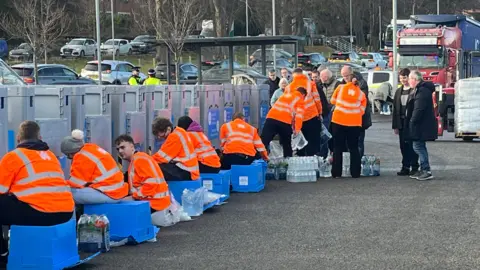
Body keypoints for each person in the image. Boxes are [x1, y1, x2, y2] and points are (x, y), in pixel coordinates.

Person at [0, 121, 74, 263]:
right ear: (40, 137)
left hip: (41, 213)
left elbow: (1, 190)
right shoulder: (50, 156)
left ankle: (2, 254)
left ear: (18, 138)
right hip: (66, 213)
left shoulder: (13, 157)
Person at [61, 129, 128, 204]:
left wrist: (59, 184)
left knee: (66, 194)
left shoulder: (82, 156)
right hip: (117, 190)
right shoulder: (91, 148)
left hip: (109, 194)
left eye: (68, 156)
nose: (69, 158)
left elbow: (76, 183)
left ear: (71, 152)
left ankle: (71, 216)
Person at [115, 134, 171, 213]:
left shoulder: (139, 159)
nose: (120, 151)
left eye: (123, 147)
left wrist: (134, 197)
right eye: (118, 149)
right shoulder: (137, 159)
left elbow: (151, 185)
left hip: (153, 204)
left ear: (132, 146)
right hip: (157, 202)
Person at [330, 80, 367, 178]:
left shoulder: (340, 88)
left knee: (337, 147)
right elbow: (362, 110)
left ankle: (336, 173)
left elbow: (332, 101)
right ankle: (355, 173)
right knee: (354, 148)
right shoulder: (361, 94)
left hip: (338, 121)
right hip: (354, 123)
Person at [405, 70, 437, 181]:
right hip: (421, 124)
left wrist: (412, 121)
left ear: (415, 79)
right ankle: (423, 169)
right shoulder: (420, 90)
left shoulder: (422, 91)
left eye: (410, 78)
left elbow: (419, 108)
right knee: (418, 146)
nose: (408, 80)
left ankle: (426, 170)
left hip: (421, 124)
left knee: (418, 146)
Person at [261, 87, 307, 158]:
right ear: (303, 95)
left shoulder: (286, 95)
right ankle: (287, 162)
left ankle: (257, 159)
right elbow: (299, 117)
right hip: (284, 122)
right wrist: (297, 130)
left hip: (271, 118)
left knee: (264, 141)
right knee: (287, 145)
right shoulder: (300, 99)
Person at [339, 66, 372, 157]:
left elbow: (358, 98)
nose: (345, 78)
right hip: (345, 120)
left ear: (351, 74)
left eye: (346, 76)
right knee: (346, 144)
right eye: (343, 76)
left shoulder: (361, 83)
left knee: (358, 143)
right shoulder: (341, 84)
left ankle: (358, 163)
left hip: (358, 120)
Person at [288, 68, 322, 156]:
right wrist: (320, 112)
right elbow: (317, 99)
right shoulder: (310, 84)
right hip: (311, 116)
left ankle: (301, 163)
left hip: (298, 119)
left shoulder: (289, 87)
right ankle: (313, 163)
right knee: (312, 142)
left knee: (300, 144)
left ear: (293, 76)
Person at [392, 68, 419, 176]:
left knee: (412, 146)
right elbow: (395, 109)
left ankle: (414, 166)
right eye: (401, 78)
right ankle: (405, 166)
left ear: (409, 77)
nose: (403, 80)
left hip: (411, 122)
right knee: (403, 146)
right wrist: (395, 126)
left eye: (404, 77)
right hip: (401, 122)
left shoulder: (414, 90)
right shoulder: (398, 91)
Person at [319, 68, 341, 157]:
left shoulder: (338, 85)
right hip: (325, 113)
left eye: (321, 76)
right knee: (325, 134)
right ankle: (323, 155)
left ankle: (334, 154)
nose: (320, 78)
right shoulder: (320, 85)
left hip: (335, 113)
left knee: (334, 135)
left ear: (326, 77)